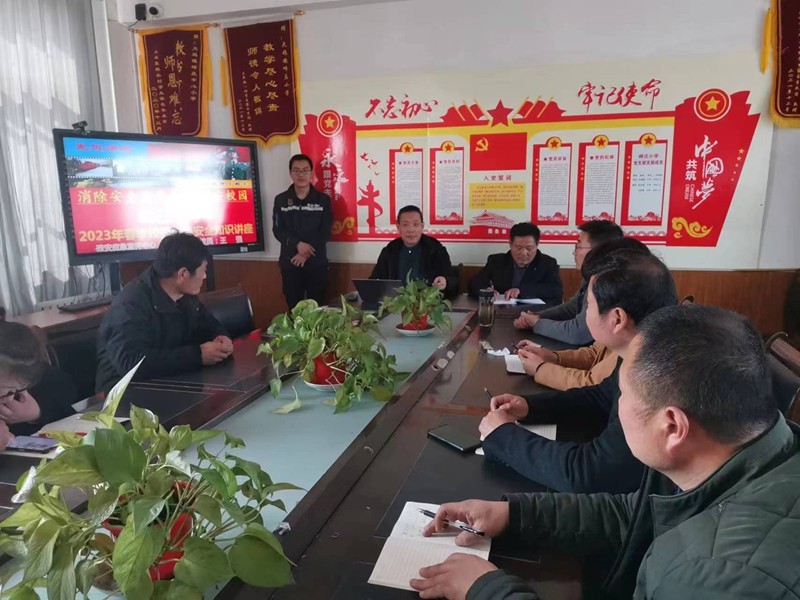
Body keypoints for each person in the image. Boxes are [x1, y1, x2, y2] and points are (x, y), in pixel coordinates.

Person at [411, 305, 798, 600]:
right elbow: (635, 514)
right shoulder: (744, 455)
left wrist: (487, 589)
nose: (617, 406)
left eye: (623, 394)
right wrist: (514, 514)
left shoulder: (718, 578)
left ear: (672, 427)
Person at [479, 249, 677, 493]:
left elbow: (590, 473)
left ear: (617, 319)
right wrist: (529, 407)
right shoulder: (646, 348)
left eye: (589, 305)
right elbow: (601, 397)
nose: (584, 314)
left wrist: (504, 436)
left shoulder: (656, 379)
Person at [95, 232, 232, 394]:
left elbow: (206, 321)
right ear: (182, 274)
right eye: (203, 270)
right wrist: (197, 356)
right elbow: (131, 363)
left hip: (171, 382)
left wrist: (220, 336)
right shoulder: (130, 304)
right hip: (125, 394)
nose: (204, 276)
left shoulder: (184, 294)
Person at [513, 239, 650, 391]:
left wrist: (541, 369)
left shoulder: (638, 343)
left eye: (589, 304)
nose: (585, 312)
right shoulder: (620, 325)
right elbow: (594, 354)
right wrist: (552, 357)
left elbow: (593, 385)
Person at [514, 219, 624, 344]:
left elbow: (577, 333)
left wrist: (536, 323)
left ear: (597, 251)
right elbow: (572, 307)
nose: (573, 252)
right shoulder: (591, 277)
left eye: (578, 247)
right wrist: (537, 316)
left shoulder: (607, 284)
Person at [272, 154, 333, 309]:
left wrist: (305, 253)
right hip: (290, 263)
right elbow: (278, 229)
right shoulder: (281, 200)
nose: (301, 174)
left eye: (305, 170)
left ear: (311, 173)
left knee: (318, 309)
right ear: (290, 173)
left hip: (316, 264)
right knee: (294, 310)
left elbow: (325, 231)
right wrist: (297, 244)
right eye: (296, 170)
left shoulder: (323, 200)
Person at [0, 321, 77, 444]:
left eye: (17, 389)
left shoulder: (32, 373)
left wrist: (37, 413)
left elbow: (64, 403)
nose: (10, 398)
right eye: (8, 391)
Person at [370, 205, 457, 297]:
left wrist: (445, 282)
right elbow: (374, 280)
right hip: (395, 302)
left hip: (427, 303)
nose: (411, 230)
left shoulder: (436, 250)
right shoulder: (390, 250)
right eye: (405, 225)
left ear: (422, 226)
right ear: (398, 227)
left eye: (415, 224)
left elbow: (453, 282)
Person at [467, 222, 562, 303]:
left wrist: (521, 290)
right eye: (519, 247)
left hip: (533, 314)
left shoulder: (547, 263)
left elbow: (556, 290)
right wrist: (486, 291)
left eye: (529, 248)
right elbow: (474, 283)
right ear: (510, 244)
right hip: (501, 313)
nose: (523, 253)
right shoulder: (496, 261)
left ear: (537, 244)